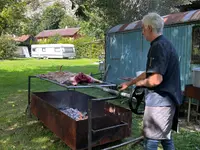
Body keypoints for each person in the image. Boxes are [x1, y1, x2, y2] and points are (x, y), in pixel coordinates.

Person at [119, 12, 182, 150]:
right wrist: (130, 82)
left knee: (151, 141)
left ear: (149, 28)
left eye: (143, 28)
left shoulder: (158, 47)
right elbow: (149, 72)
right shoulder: (164, 44)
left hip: (160, 102)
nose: (142, 32)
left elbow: (155, 80)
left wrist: (138, 84)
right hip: (167, 101)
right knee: (165, 139)